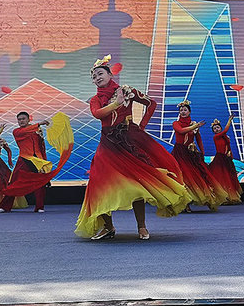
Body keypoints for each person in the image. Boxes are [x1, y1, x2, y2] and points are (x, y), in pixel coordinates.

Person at [76, 56, 189, 240]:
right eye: (94, 77)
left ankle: (142, 227)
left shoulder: (127, 91)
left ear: (110, 74)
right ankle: (108, 228)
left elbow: (151, 104)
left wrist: (141, 126)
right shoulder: (95, 99)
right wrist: (116, 103)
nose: (97, 78)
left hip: (128, 142)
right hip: (108, 145)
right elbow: (97, 114)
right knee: (98, 184)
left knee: (137, 183)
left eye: (100, 74)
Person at [171, 101, 228, 212]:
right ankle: (185, 203)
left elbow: (199, 139)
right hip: (180, 153)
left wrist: (202, 152)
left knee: (201, 176)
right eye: (181, 110)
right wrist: (195, 126)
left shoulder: (194, 124)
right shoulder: (176, 123)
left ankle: (209, 200)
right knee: (184, 177)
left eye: (185, 110)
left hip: (191, 154)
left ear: (189, 112)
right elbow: (181, 131)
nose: (183, 112)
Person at [0, 112, 54, 213]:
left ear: (28, 120)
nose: (21, 121)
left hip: (37, 160)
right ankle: (4, 206)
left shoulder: (37, 131)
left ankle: (40, 207)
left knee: (40, 183)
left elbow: (42, 146)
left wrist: (44, 160)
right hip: (24, 159)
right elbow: (25, 131)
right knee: (14, 182)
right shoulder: (17, 131)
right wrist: (39, 124)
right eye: (19, 119)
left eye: (23, 119)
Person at [208, 115, 243, 205]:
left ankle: (229, 196)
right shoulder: (216, 137)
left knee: (229, 178)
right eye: (214, 129)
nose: (216, 129)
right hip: (220, 159)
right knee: (222, 177)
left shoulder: (225, 137)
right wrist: (229, 121)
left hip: (226, 159)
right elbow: (225, 131)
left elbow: (228, 146)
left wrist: (230, 154)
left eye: (218, 127)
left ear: (220, 128)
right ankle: (221, 197)